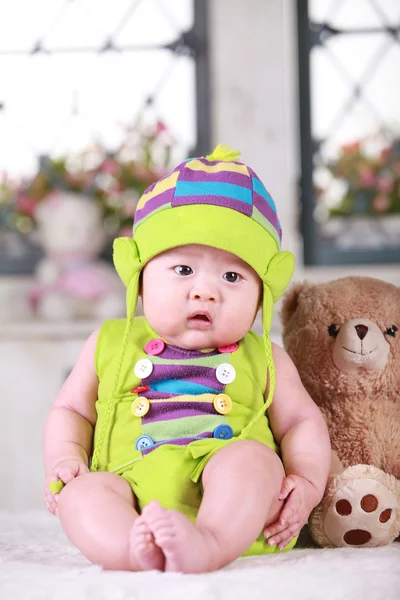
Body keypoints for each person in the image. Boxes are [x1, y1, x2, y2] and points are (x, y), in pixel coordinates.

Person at [43, 145, 331, 573]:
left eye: (232, 276)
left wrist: (307, 483)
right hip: (129, 492)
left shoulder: (265, 357)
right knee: (84, 494)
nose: (205, 291)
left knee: (252, 461)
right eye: (183, 270)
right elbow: (70, 409)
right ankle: (131, 550)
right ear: (141, 280)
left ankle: (210, 543)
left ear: (260, 297)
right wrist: (66, 458)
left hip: (235, 506)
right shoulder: (108, 342)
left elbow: (302, 422)